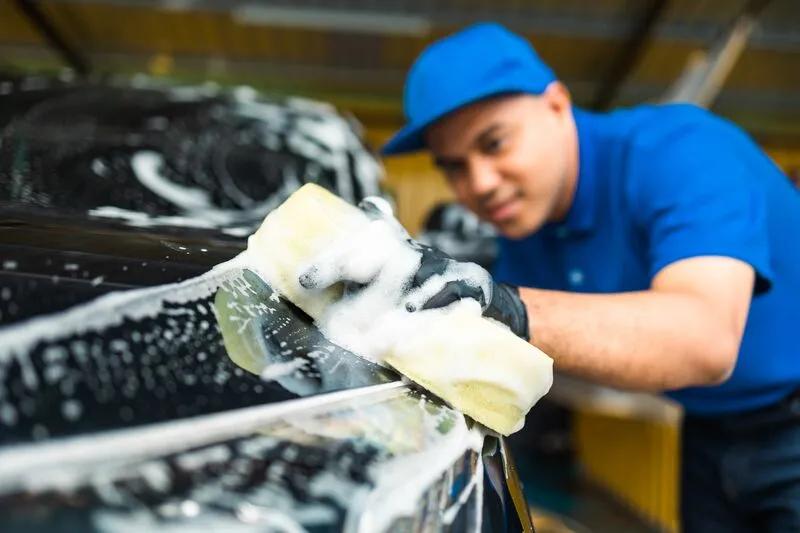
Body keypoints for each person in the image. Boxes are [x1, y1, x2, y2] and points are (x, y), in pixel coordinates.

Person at [299, 22, 800, 533]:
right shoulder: (526, 233)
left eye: (494, 143)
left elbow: (706, 341)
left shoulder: (680, 152)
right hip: (711, 430)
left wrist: (503, 306)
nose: (480, 185)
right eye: (454, 167)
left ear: (557, 104)